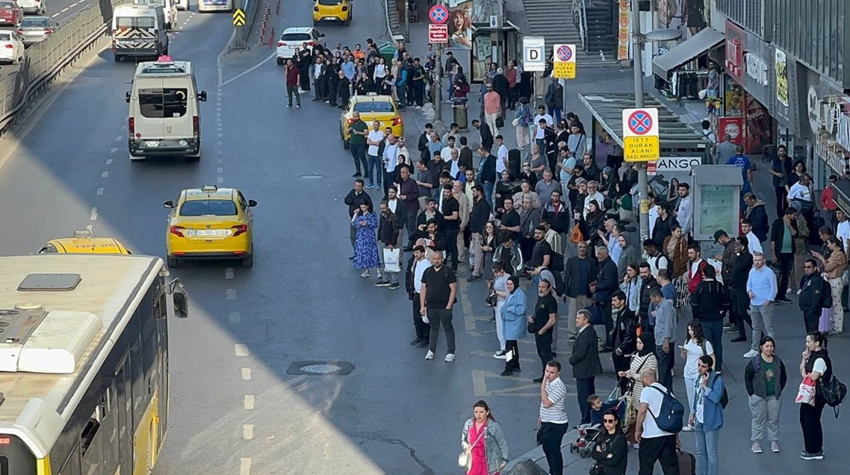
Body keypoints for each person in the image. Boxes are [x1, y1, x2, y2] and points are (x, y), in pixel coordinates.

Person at [744, 336, 787, 454]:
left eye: (771, 346)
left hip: (774, 396)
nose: (769, 349)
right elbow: (748, 378)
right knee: (758, 419)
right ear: (761, 347)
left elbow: (783, 377)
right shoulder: (754, 363)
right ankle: (756, 442)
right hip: (758, 396)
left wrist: (779, 389)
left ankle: (774, 441)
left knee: (774, 419)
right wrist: (752, 393)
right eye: (767, 346)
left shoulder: (777, 361)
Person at [635, 369, 679, 475]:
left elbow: (642, 411)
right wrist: (676, 436)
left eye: (642, 380)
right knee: (670, 467)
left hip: (651, 435)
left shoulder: (647, 391)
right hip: (669, 435)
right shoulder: (667, 392)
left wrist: (637, 430)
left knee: (646, 466)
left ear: (645, 379)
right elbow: (674, 417)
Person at [620, 333, 657, 446]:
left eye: (640, 343)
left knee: (641, 413)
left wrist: (631, 376)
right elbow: (634, 370)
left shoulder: (651, 359)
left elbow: (648, 377)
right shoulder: (637, 354)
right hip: (634, 389)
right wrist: (626, 373)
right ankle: (632, 436)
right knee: (634, 413)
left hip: (643, 390)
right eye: (637, 342)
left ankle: (638, 437)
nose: (638, 345)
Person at [420, 252, 458, 362]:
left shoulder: (448, 271)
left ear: (442, 259)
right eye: (434, 259)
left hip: (444, 307)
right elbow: (423, 289)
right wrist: (423, 306)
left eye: (438, 259)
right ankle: (431, 350)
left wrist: (449, 306)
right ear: (432, 259)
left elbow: (453, 289)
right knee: (434, 328)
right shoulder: (427, 272)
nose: (436, 261)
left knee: (447, 328)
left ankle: (451, 351)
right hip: (431, 306)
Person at [690, 355, 725, 475]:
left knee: (711, 452)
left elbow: (716, 398)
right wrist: (692, 412)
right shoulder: (698, 378)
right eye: (699, 365)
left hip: (711, 419)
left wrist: (705, 386)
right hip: (699, 418)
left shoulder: (716, 379)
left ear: (709, 367)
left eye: (703, 366)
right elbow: (696, 397)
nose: (700, 368)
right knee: (700, 451)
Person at [689, 266, 727, 372]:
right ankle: (718, 365)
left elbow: (694, 303)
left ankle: (708, 365)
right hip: (718, 319)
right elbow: (726, 301)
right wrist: (723, 312)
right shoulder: (719, 286)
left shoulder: (700, 287)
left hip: (704, 319)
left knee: (707, 344)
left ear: (703, 274)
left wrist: (695, 317)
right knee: (718, 342)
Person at [570, 308, 603, 425]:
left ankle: (586, 419)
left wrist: (572, 360)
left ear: (586, 319)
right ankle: (589, 417)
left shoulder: (587, 333)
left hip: (584, 369)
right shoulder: (588, 331)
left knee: (584, 396)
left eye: (579, 318)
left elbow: (581, 352)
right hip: (586, 369)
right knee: (588, 394)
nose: (576, 320)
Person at [681, 320, 715, 431]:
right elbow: (684, 357)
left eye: (692, 330)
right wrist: (683, 353)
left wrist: (710, 373)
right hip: (688, 372)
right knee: (691, 397)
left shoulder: (705, 343)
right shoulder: (687, 341)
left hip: (699, 373)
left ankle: (697, 421)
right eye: (689, 330)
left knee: (698, 397)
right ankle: (692, 421)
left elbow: (712, 358)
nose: (690, 332)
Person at [460, 400, 509, 475]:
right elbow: (464, 440)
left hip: (489, 465)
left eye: (481, 412)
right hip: (472, 464)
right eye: (476, 412)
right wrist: (466, 447)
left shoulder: (494, 427)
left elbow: (502, 444)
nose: (478, 415)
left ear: (487, 412)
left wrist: (504, 460)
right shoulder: (468, 424)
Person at [810, 236, 847, 335]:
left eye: (829, 243)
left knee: (836, 303)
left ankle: (838, 326)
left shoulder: (838, 255)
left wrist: (821, 258)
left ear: (834, 244)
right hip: (831, 280)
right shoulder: (834, 254)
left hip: (835, 280)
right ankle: (834, 324)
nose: (828, 245)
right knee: (834, 302)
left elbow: (828, 267)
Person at [539, 360, 570, 475]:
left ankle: (557, 473)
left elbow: (547, 402)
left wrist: (542, 386)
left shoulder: (559, 386)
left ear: (558, 373)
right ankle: (552, 471)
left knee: (554, 450)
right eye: (547, 371)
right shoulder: (549, 381)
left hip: (557, 423)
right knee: (546, 448)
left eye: (552, 372)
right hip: (547, 421)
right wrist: (541, 416)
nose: (548, 374)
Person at [744, 253, 777, 358]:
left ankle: (771, 349)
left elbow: (774, 287)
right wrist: (749, 292)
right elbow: (749, 284)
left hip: (765, 303)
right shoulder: (752, 271)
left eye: (759, 260)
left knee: (769, 327)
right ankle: (754, 348)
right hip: (754, 303)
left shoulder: (769, 272)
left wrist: (769, 299)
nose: (757, 262)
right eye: (755, 260)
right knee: (755, 327)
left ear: (763, 260)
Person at [564, 241, 596, 341]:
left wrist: (594, 291)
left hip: (587, 292)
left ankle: (587, 331)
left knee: (587, 313)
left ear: (587, 249)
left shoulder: (591, 261)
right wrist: (565, 292)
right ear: (577, 249)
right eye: (580, 247)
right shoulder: (571, 261)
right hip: (574, 292)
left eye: (584, 247)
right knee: (573, 313)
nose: (582, 249)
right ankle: (572, 333)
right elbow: (567, 277)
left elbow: (594, 277)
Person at [530, 280, 559, 382]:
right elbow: (538, 312)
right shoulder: (540, 298)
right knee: (541, 354)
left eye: (543, 287)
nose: (541, 289)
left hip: (545, 333)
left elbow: (552, 319)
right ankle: (545, 375)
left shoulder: (550, 301)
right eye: (539, 287)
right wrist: (533, 318)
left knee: (546, 355)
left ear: (549, 288)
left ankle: (551, 376)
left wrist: (542, 330)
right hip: (538, 331)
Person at [611, 290, 638, 395]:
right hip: (619, 349)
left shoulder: (627, 315)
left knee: (624, 377)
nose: (613, 303)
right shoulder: (621, 314)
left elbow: (630, 334)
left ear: (622, 301)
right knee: (621, 377)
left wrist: (621, 347)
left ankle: (626, 397)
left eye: (614, 300)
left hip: (624, 352)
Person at [649, 288, 676, 390]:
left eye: (652, 298)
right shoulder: (661, 307)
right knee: (666, 368)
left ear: (657, 297)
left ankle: (662, 389)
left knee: (662, 368)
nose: (651, 301)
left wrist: (666, 340)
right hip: (660, 340)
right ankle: (668, 389)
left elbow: (669, 324)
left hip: (664, 342)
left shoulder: (666, 306)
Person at [770, 207, 798, 304]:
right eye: (794, 215)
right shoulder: (777, 223)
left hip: (789, 253)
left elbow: (795, 234)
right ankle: (774, 296)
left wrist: (789, 226)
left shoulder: (792, 223)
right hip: (779, 253)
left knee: (786, 275)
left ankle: (782, 295)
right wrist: (773, 254)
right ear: (789, 214)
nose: (795, 217)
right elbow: (773, 239)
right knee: (777, 275)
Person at [500, 276, 527, 376]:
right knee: (513, 346)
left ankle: (509, 367)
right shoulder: (512, 294)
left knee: (509, 347)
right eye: (508, 284)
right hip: (510, 323)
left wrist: (511, 309)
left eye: (511, 284)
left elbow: (522, 309)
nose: (509, 286)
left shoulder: (520, 295)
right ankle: (515, 365)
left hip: (514, 323)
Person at [729, 236, 754, 343]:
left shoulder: (748, 257)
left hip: (742, 288)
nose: (735, 247)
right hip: (734, 287)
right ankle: (741, 333)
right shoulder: (737, 256)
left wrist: (738, 255)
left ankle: (757, 331)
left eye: (737, 245)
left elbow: (739, 267)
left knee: (742, 311)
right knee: (736, 311)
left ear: (743, 246)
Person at [405, 245, 431, 347]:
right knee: (416, 316)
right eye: (414, 253)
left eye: (417, 253)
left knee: (424, 316)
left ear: (422, 253)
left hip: (424, 294)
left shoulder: (426, 265)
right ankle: (419, 336)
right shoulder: (417, 262)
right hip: (417, 292)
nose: (415, 255)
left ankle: (425, 338)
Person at [591, 409, 629, 475]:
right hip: (601, 471)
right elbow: (594, 454)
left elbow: (614, 461)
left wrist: (600, 455)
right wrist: (606, 455)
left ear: (616, 421)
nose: (607, 423)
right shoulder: (602, 434)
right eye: (605, 421)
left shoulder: (620, 438)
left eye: (610, 421)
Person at [799, 258, 829, 334]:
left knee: (813, 332)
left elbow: (816, 296)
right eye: (805, 267)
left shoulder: (816, 279)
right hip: (806, 309)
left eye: (809, 267)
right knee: (809, 331)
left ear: (814, 268)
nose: (806, 269)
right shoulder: (807, 278)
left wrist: (813, 309)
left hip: (812, 310)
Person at [351, 201, 380, 278]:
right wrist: (359, 223)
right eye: (361, 207)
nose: (362, 209)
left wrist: (367, 223)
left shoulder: (372, 214)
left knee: (373, 252)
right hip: (361, 236)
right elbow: (353, 223)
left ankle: (378, 270)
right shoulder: (359, 214)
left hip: (369, 236)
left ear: (367, 206)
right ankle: (366, 270)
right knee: (363, 253)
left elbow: (376, 224)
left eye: (364, 207)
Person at [376, 201, 401, 288]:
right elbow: (380, 228)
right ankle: (385, 279)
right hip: (383, 241)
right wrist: (379, 238)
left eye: (383, 208)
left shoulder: (393, 217)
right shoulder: (381, 216)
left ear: (387, 207)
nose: (382, 210)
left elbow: (396, 231)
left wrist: (392, 243)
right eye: (381, 208)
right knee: (385, 261)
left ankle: (395, 281)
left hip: (390, 242)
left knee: (392, 261)